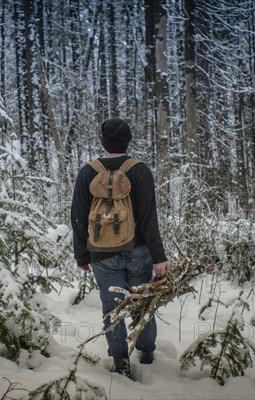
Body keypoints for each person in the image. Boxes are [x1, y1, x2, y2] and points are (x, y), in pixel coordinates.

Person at [70, 118, 170, 378]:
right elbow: (149, 218)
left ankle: (119, 360)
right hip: (138, 252)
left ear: (103, 141)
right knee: (142, 304)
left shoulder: (87, 172)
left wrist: (82, 254)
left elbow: (78, 217)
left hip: (101, 254)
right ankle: (146, 352)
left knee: (111, 308)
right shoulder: (139, 171)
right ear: (128, 141)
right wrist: (159, 257)